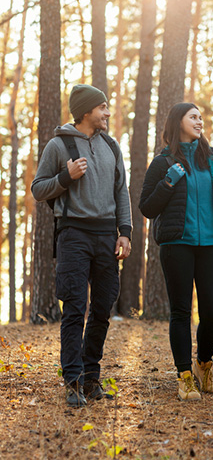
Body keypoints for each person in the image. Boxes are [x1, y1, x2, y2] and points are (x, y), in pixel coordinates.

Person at [31, 84, 132, 407]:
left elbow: (122, 192)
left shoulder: (111, 146)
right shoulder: (59, 145)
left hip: (106, 236)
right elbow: (38, 189)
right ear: (87, 111)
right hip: (73, 235)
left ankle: (91, 379)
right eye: (102, 107)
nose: (107, 113)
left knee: (102, 309)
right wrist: (66, 176)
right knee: (75, 309)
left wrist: (125, 232)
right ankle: (72, 381)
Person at [139, 102, 213, 400]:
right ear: (178, 122)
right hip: (177, 245)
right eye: (193, 117)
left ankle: (204, 365)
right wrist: (168, 182)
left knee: (212, 314)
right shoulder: (162, 162)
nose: (200, 121)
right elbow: (147, 207)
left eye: (201, 117)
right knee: (181, 312)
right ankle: (184, 376)